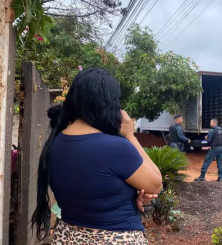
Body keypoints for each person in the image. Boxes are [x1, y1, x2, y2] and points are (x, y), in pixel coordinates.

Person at [31, 68, 162, 244]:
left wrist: (133, 196)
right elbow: (156, 184)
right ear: (109, 103)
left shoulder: (55, 143)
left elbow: (95, 188)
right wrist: (131, 136)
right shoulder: (116, 147)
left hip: (67, 237)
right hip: (113, 239)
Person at [194, 118, 222, 183]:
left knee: (207, 161)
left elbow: (208, 141)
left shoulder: (212, 131)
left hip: (214, 148)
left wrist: (206, 138)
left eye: (211, 122)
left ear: (214, 123)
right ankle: (220, 179)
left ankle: (202, 177)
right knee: (220, 162)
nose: (210, 123)